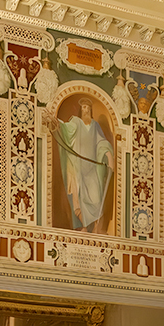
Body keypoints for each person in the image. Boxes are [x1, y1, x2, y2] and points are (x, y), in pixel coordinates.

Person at [52, 98, 114, 230]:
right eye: (84, 107)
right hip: (77, 167)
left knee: (96, 199)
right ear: (81, 110)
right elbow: (66, 129)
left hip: (92, 169)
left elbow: (101, 142)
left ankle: (96, 227)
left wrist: (108, 154)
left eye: (88, 107)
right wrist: (56, 123)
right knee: (78, 199)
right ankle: (85, 226)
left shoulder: (95, 125)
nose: (86, 110)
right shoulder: (76, 122)